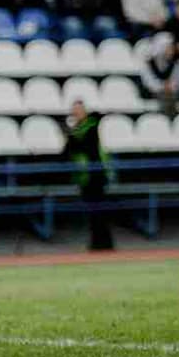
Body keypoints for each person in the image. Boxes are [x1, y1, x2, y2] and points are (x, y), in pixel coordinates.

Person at [62, 100, 115, 251]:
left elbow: (84, 145)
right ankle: (97, 243)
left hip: (96, 174)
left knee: (99, 211)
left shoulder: (92, 126)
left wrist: (72, 136)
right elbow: (68, 150)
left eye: (79, 110)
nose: (77, 113)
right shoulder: (77, 130)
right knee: (92, 213)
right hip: (84, 176)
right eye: (75, 111)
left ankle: (104, 244)